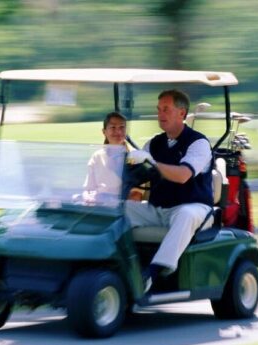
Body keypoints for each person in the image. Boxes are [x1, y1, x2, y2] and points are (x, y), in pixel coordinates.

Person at [126, 89, 213, 290]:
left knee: (186, 214)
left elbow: (183, 175)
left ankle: (153, 272)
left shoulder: (198, 143)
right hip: (159, 209)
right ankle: (114, 262)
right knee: (119, 209)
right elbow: (138, 173)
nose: (160, 114)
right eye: (158, 110)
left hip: (196, 208)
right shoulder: (154, 144)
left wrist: (153, 164)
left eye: (166, 109)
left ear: (182, 113)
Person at [82, 112, 143, 204]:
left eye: (121, 127)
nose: (118, 132)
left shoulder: (135, 157)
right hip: (99, 204)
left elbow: (136, 195)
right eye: (113, 127)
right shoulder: (97, 156)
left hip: (123, 207)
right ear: (104, 132)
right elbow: (88, 189)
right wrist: (87, 198)